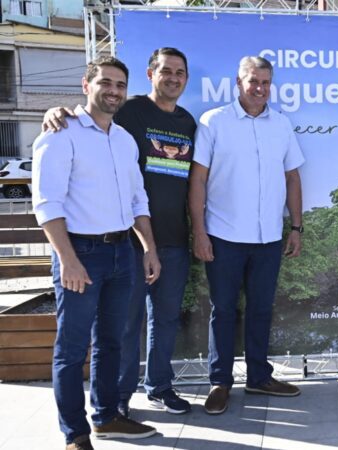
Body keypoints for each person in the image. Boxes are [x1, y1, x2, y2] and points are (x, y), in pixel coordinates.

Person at [41, 47, 196, 417]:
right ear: (150, 74)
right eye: (166, 71)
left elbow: (160, 189)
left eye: (180, 72)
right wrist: (54, 111)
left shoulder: (184, 123)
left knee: (162, 320)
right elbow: (92, 112)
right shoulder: (125, 111)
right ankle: (115, 401)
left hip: (169, 239)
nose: (173, 78)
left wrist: (164, 242)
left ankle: (155, 388)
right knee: (119, 329)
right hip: (116, 245)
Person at [32, 56, 161, 450]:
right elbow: (47, 204)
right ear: (86, 85)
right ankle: (75, 434)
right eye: (105, 82)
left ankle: (106, 418)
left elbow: (138, 198)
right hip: (80, 254)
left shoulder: (123, 139)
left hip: (122, 252)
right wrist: (68, 260)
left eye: (120, 85)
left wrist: (149, 247)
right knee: (71, 350)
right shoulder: (60, 133)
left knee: (112, 341)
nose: (113, 91)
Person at [189, 56, 305, 415]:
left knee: (260, 310)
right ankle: (220, 382)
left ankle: (259, 377)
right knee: (223, 311)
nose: (260, 89)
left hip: (269, 238)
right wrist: (199, 231)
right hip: (223, 237)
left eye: (266, 83)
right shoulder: (214, 122)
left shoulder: (281, 124)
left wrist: (296, 227)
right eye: (253, 81)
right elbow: (198, 178)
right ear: (238, 83)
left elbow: (292, 178)